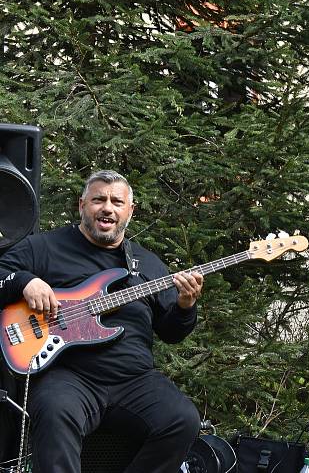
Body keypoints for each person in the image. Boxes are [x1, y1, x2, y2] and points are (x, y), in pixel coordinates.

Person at [0, 170, 204, 473]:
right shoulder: (44, 247)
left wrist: (186, 306)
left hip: (134, 380)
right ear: (82, 205)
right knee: (55, 412)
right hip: (69, 376)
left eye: (116, 202)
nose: (107, 207)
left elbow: (172, 332)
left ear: (130, 211)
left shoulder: (147, 265)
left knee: (182, 419)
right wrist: (26, 282)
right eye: (99, 199)